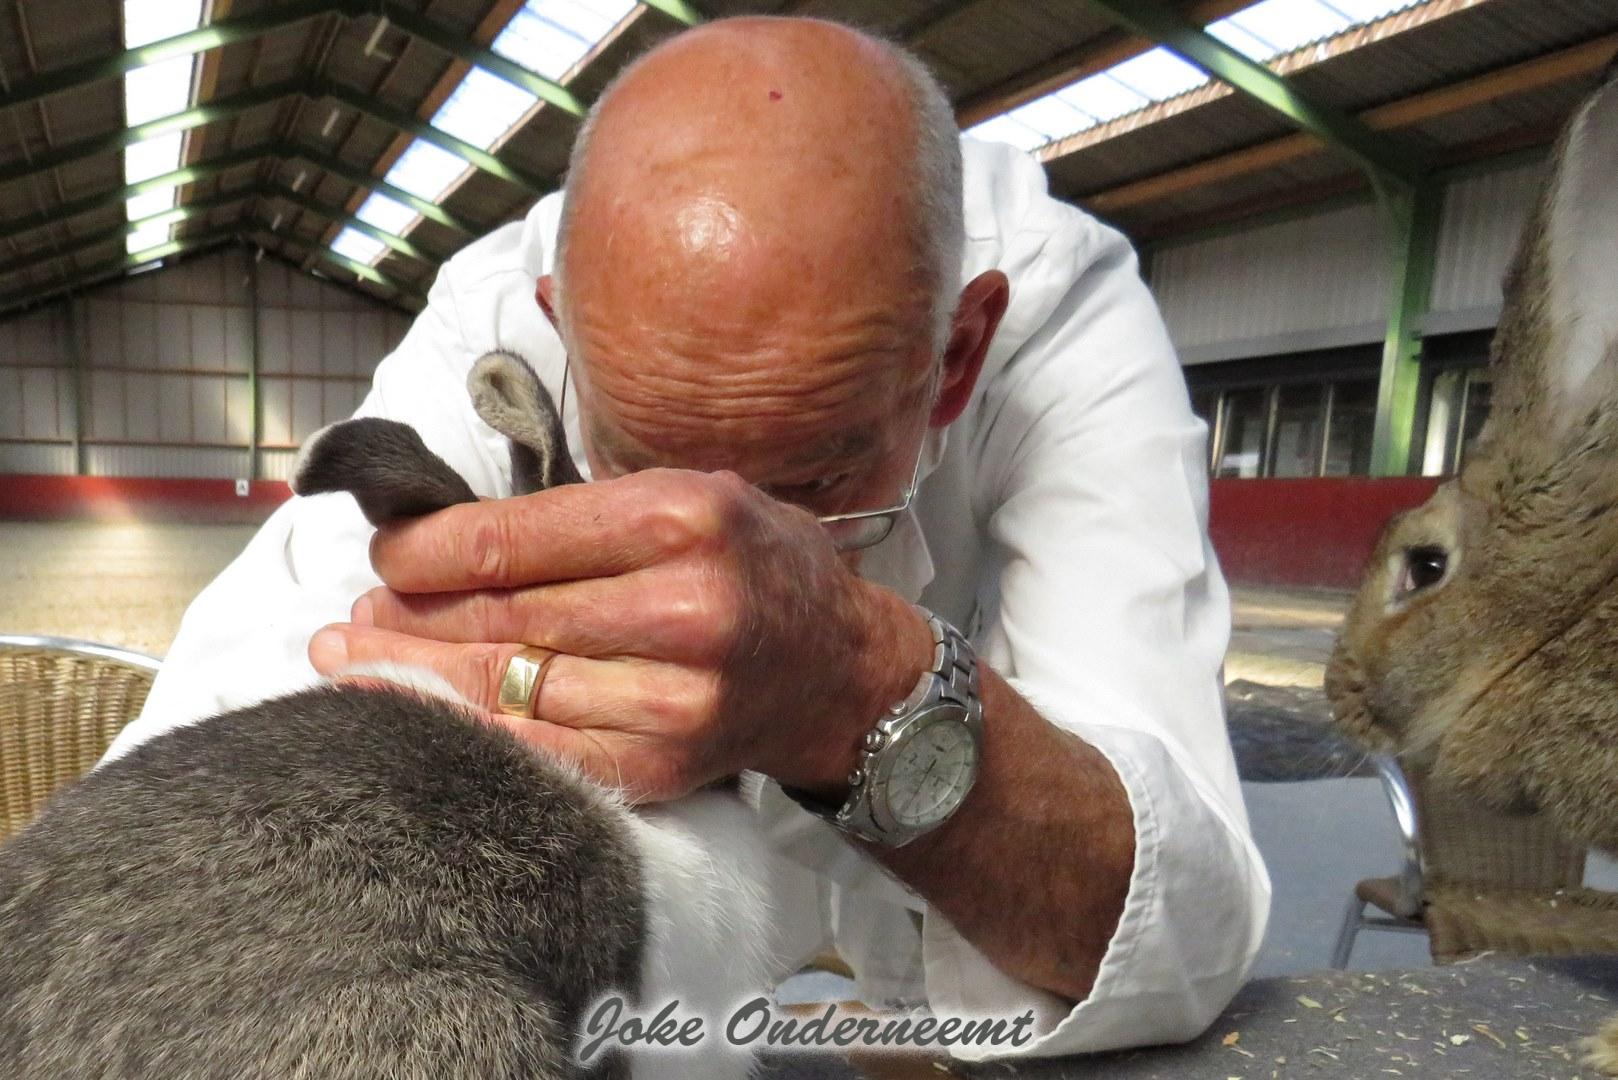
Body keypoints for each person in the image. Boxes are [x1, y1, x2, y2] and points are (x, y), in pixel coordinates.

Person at [108, 15, 1269, 1060]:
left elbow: (1177, 925)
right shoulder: (504, 306)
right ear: (564, 337)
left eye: (816, 475)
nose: (719, 579)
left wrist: (854, 687)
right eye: (643, 458)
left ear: (955, 355)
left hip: (939, 974)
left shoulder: (1061, 312)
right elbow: (193, 775)